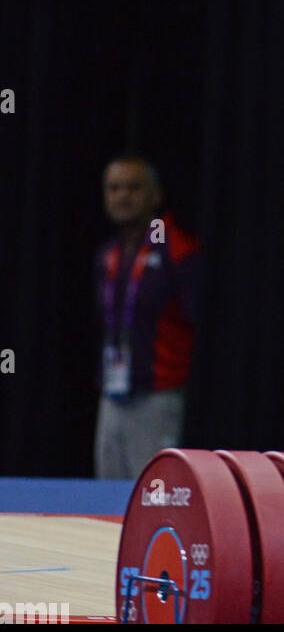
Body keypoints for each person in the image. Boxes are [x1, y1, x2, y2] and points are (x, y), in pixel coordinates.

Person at [93, 155, 202, 479]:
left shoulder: (177, 250)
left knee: (152, 496)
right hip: (113, 396)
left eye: (133, 188)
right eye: (114, 188)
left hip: (157, 397)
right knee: (106, 497)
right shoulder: (108, 254)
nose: (122, 196)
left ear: (155, 195)